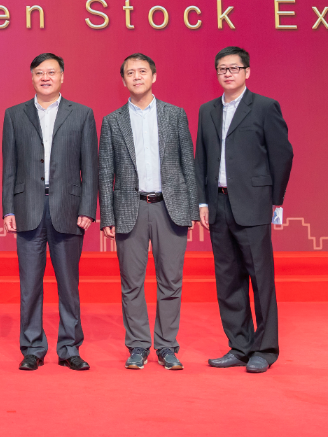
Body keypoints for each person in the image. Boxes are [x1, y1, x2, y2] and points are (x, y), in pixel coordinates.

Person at [194, 46, 294, 374]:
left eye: (234, 68)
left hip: (253, 205)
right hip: (218, 204)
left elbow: (282, 154)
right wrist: (203, 201)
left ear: (247, 72)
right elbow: (201, 159)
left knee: (260, 278)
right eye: (222, 68)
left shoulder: (264, 107)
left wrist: (273, 199)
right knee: (228, 279)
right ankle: (239, 346)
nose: (228, 73)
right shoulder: (207, 110)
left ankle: (265, 349)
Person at [98, 53, 199, 371]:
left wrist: (192, 209)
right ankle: (138, 346)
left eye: (142, 71)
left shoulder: (175, 115)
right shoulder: (112, 121)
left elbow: (188, 164)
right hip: (131, 209)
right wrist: (107, 216)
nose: (137, 77)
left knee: (171, 280)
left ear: (154, 76)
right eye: (130, 73)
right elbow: (105, 172)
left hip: (171, 208)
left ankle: (167, 346)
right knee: (132, 283)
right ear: (123, 80)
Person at [1, 52, 98, 371]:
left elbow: (90, 167)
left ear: (62, 77)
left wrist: (87, 207)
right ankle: (32, 347)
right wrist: (8, 208)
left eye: (51, 72)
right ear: (31, 78)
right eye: (39, 73)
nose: (45, 77)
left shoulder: (82, 114)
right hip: (27, 207)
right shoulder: (14, 115)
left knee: (69, 284)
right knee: (30, 284)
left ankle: (69, 347)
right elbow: (9, 166)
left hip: (68, 209)